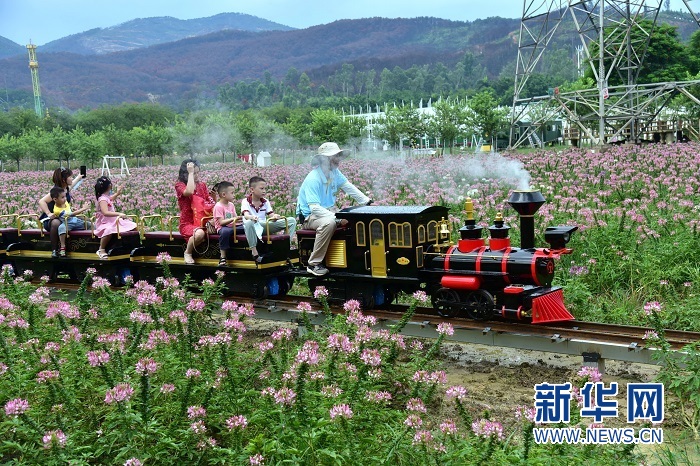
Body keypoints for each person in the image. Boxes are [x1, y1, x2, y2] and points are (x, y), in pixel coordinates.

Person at [296, 142, 372, 276]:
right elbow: (314, 209)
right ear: (324, 160)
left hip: (328, 211)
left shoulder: (335, 173)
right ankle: (313, 264)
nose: (338, 160)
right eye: (335, 156)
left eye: (338, 156)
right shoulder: (313, 178)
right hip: (310, 217)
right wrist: (337, 218)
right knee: (329, 224)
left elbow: (348, 187)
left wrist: (367, 202)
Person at [241, 176, 297, 263]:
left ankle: (285, 246)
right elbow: (246, 215)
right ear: (252, 189)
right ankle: (254, 252)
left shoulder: (265, 201)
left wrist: (275, 216)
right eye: (261, 188)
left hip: (263, 226)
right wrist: (252, 217)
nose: (264, 191)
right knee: (248, 222)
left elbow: (271, 214)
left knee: (291, 220)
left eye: (265, 188)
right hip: (253, 226)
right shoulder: (245, 201)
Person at [175, 159, 215, 264]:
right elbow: (189, 191)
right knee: (199, 234)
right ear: (186, 174)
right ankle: (188, 252)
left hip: (203, 221)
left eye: (198, 172)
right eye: (194, 173)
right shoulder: (179, 185)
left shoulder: (202, 185)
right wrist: (190, 173)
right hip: (188, 223)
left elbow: (208, 203)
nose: (197, 175)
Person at [38, 167, 85, 257]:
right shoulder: (56, 191)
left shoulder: (65, 188)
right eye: (70, 177)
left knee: (82, 219)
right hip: (52, 219)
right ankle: (54, 250)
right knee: (56, 223)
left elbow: (71, 185)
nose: (72, 178)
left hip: (63, 217)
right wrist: (48, 213)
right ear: (64, 179)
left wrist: (79, 177)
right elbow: (42, 201)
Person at [94, 176, 137, 259]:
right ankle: (101, 249)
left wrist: (117, 193)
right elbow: (105, 212)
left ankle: (133, 245)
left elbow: (110, 199)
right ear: (109, 186)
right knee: (109, 230)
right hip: (105, 222)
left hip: (113, 221)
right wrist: (119, 214)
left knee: (133, 225)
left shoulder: (105, 197)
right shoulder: (102, 199)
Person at [48, 186, 91, 257]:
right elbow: (72, 214)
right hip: (67, 224)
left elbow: (69, 209)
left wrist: (72, 208)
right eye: (62, 197)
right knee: (61, 228)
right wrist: (83, 208)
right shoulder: (57, 210)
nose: (65, 199)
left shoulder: (65, 202)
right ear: (55, 199)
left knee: (89, 224)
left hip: (75, 221)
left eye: (65, 196)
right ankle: (62, 247)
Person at [213, 181, 241, 267]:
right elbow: (221, 222)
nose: (234, 195)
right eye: (232, 193)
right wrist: (233, 219)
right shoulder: (218, 206)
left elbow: (236, 218)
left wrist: (244, 219)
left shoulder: (231, 205)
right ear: (224, 194)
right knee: (225, 232)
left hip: (233, 226)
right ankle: (223, 256)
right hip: (223, 227)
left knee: (248, 227)